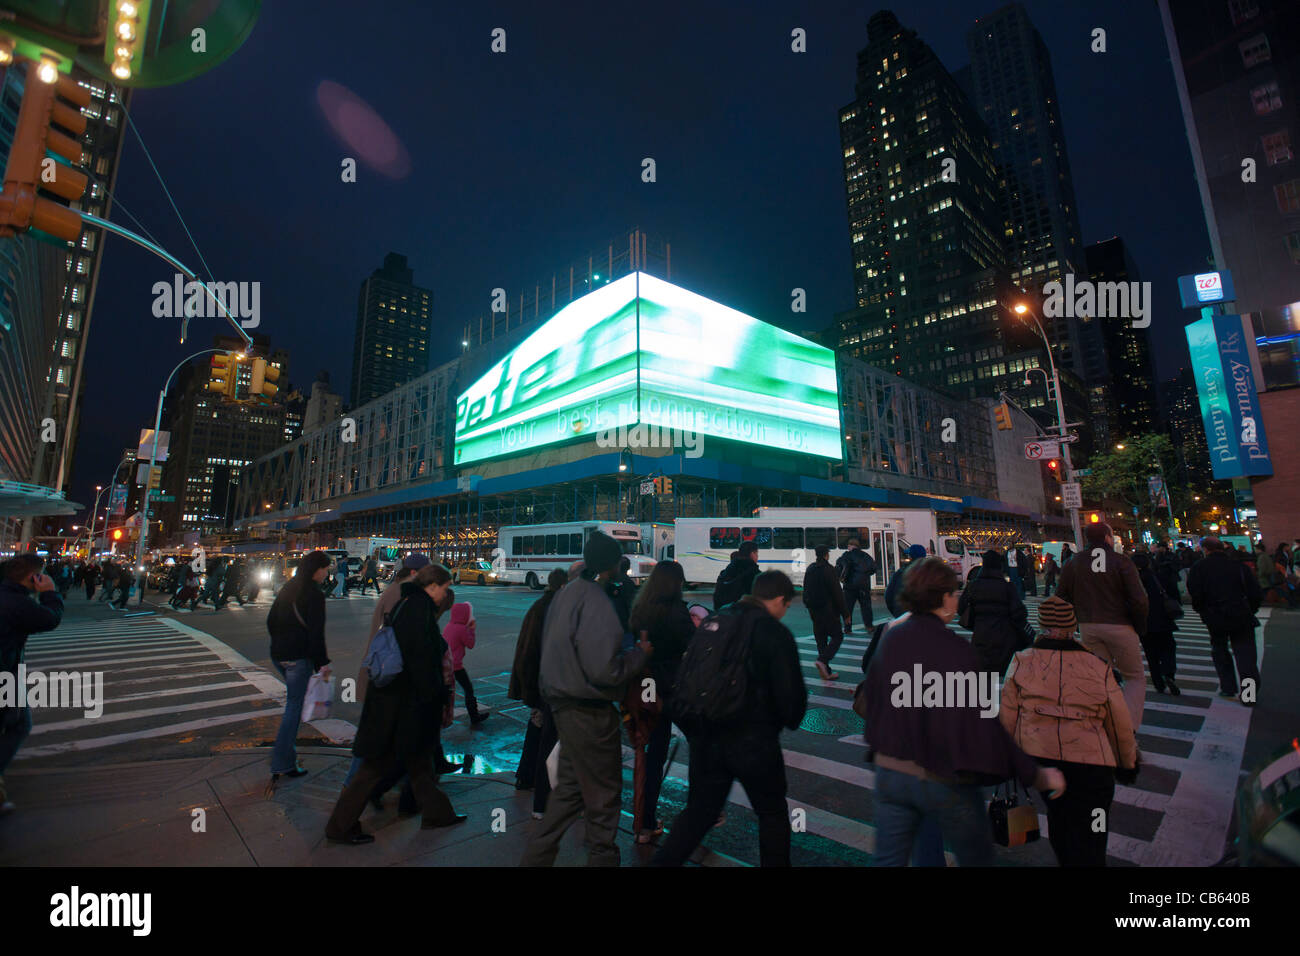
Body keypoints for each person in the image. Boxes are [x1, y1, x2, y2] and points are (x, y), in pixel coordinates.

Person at [863, 557, 1065, 866]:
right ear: (942, 598)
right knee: (977, 857)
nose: (957, 598)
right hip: (944, 777)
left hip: (891, 774)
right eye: (954, 592)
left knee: (891, 860)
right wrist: (1034, 773)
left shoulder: (890, 640)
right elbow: (984, 726)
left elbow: (874, 705)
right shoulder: (956, 650)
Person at [652, 571, 807, 867]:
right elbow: (792, 701)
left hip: (706, 737)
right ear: (778, 599)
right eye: (786, 605)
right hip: (753, 741)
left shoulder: (717, 619)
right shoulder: (772, 632)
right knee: (772, 813)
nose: (785, 612)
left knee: (699, 813)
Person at [520, 532, 651, 867]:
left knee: (567, 793)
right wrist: (640, 654)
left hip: (562, 706)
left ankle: (536, 858)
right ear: (613, 564)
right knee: (604, 796)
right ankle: (604, 859)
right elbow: (605, 670)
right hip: (589, 712)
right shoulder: (595, 601)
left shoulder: (566, 593)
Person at [325, 563, 465, 844]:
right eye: (445, 588)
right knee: (374, 769)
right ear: (434, 585)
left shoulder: (408, 602)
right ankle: (339, 827)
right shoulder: (418, 608)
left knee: (420, 765)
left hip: (397, 705)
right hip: (400, 708)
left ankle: (438, 813)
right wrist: (434, 697)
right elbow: (420, 661)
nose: (445, 595)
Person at [999, 595, 1139, 866]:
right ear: (1072, 627)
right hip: (1093, 766)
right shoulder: (1098, 666)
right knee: (1095, 829)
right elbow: (1119, 724)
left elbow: (1008, 716)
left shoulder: (1022, 661)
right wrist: (1127, 762)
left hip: (1044, 760)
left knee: (1060, 821)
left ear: (1041, 626)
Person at [627, 559, 697, 845]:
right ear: (676, 583)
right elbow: (692, 647)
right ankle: (703, 810)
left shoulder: (641, 609)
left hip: (645, 685)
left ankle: (644, 823)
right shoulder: (679, 613)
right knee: (701, 741)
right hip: (672, 687)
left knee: (651, 754)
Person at [1055, 522, 1149, 732]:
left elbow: (1060, 596)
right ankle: (1128, 727)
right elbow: (1139, 599)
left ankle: (1104, 723)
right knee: (1134, 676)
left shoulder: (1074, 562)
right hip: (1120, 624)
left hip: (1088, 625)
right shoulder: (1121, 561)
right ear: (1108, 537)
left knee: (1101, 676)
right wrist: (1140, 625)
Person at [0, 555, 64, 813]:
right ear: (32, 578)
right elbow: (50, 619)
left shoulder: (8, 596)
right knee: (19, 724)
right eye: (41, 575)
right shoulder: (17, 603)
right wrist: (49, 592)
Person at [265, 550, 332, 788]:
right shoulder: (314, 595)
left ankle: (285, 758)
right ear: (317, 569)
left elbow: (271, 621)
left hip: (278, 655)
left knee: (294, 704)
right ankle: (282, 762)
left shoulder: (290, 586)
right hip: (298, 658)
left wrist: (280, 643)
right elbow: (316, 633)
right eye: (326, 568)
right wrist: (322, 662)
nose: (328, 573)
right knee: (293, 709)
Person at [508, 568, 568, 796]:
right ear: (563, 586)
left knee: (538, 728)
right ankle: (535, 780)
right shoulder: (553, 609)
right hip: (544, 682)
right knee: (544, 732)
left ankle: (527, 776)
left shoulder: (542, 606)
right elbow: (536, 651)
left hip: (537, 680)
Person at [1186, 536, 1263, 705]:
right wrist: (1251, 608)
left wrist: (1203, 612)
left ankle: (1228, 687)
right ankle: (1249, 695)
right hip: (1241, 615)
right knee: (1246, 658)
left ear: (1206, 549)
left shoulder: (1199, 568)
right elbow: (1255, 592)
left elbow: (1195, 594)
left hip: (1215, 617)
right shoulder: (1239, 566)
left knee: (1220, 652)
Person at [957, 549, 1029, 678]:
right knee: (1004, 683)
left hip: (980, 638)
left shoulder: (973, 586)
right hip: (1004, 641)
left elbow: (961, 609)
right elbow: (1020, 613)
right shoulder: (1007, 588)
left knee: (982, 682)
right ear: (999, 566)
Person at [1133, 553, 1180, 696]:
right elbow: (1175, 595)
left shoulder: (1133, 581)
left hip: (1144, 621)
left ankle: (1158, 683)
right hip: (1163, 619)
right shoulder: (1159, 577)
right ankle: (1169, 673)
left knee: (1150, 653)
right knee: (1168, 647)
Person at [803, 543, 850, 680]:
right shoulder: (829, 570)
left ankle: (826, 672)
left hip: (814, 610)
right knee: (837, 636)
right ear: (826, 555)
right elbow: (837, 594)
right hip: (828, 610)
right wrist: (845, 614)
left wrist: (808, 604)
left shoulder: (810, 568)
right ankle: (823, 661)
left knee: (821, 640)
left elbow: (805, 589)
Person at [444, 602, 490, 725]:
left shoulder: (449, 625)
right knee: (468, 690)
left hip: (447, 664)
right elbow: (470, 644)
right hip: (456, 666)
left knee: (446, 691)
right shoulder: (462, 628)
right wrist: (472, 629)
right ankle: (474, 717)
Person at [835, 537, 877, 634]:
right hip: (864, 585)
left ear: (850, 546)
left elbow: (839, 566)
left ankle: (847, 628)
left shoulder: (846, 555)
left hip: (849, 586)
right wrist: (865, 575)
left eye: (848, 546)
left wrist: (842, 578)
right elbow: (874, 568)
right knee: (866, 607)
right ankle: (869, 626)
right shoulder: (866, 556)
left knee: (848, 608)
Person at [713, 541, 760, 610]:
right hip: (741, 615)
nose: (757, 556)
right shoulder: (754, 574)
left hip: (721, 612)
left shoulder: (726, 572)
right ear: (752, 554)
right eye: (757, 553)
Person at [885, 544, 928, 619]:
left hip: (902, 614)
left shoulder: (901, 572)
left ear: (910, 556)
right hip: (925, 616)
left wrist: (896, 612)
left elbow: (889, 596)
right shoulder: (931, 572)